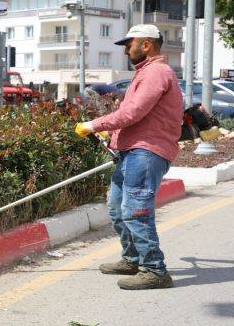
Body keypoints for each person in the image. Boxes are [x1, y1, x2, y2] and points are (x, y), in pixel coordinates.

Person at [74, 24, 183, 290]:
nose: (125, 50)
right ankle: (133, 259)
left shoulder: (157, 72)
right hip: (132, 151)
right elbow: (134, 116)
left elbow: (133, 113)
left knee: (136, 211)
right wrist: (111, 137)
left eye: (128, 44)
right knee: (117, 208)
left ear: (145, 44)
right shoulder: (145, 74)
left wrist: (94, 124)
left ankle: (155, 270)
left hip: (146, 151)